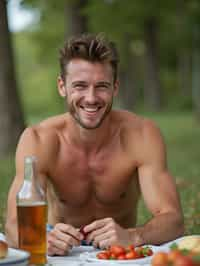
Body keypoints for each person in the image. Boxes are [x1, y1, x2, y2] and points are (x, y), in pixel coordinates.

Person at [5, 34, 184, 256]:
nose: (91, 98)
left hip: (118, 249)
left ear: (115, 88)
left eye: (101, 86)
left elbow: (173, 220)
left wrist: (134, 236)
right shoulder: (39, 139)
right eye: (80, 86)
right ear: (62, 86)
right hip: (60, 249)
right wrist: (40, 237)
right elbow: (13, 224)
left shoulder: (142, 135)